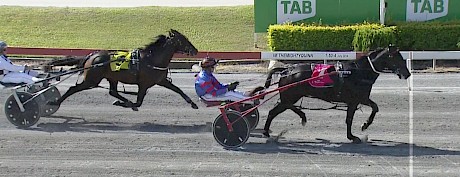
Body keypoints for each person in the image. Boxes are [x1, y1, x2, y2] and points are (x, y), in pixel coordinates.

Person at [195, 57, 263, 104]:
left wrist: (229, 85)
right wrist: (227, 89)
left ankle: (247, 95)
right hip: (206, 97)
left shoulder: (208, 74)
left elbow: (218, 86)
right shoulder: (204, 78)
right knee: (230, 95)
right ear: (209, 67)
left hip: (210, 94)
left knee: (232, 91)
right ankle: (251, 101)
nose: (214, 68)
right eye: (213, 67)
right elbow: (214, 93)